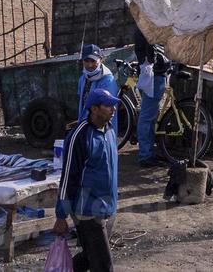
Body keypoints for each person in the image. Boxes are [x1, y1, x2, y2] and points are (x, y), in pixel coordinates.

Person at [54, 86, 120, 272]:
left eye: (113, 105)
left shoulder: (110, 130)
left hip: (108, 206)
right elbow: (68, 177)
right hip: (88, 210)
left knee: (91, 258)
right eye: (108, 106)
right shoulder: (79, 136)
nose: (113, 109)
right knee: (103, 266)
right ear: (94, 109)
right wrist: (61, 215)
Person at [133, 29, 170, 168]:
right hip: (154, 74)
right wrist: (154, 60)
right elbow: (151, 46)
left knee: (149, 116)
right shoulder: (146, 25)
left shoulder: (144, 24)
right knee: (148, 116)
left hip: (152, 73)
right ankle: (145, 155)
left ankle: (148, 153)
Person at [76, 43, 121, 123]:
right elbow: (82, 103)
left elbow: (108, 112)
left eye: (93, 61)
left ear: (101, 59)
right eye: (86, 61)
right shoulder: (82, 79)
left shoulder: (108, 80)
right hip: (84, 124)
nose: (90, 65)